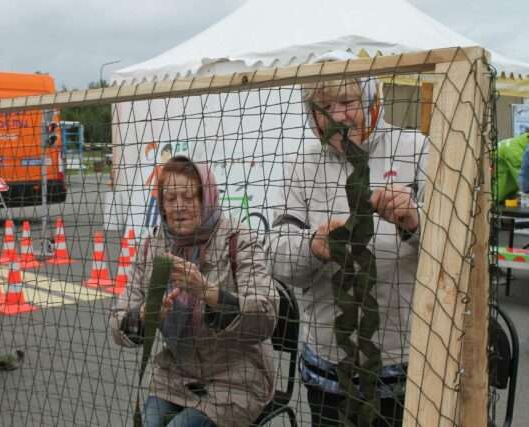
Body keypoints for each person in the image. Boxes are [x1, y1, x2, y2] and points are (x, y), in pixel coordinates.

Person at [270, 52, 427, 426]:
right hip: (327, 361)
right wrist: (312, 245)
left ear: (373, 100)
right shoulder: (301, 167)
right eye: (324, 106)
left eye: (347, 102)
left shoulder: (418, 149)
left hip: (404, 358)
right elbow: (276, 253)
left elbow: (460, 247)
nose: (338, 116)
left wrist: (415, 221)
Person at [112, 155, 279, 427]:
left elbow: (267, 314)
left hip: (236, 380)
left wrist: (208, 292)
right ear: (162, 206)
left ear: (208, 197)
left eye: (189, 197)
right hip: (175, 378)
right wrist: (144, 316)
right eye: (170, 198)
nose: (179, 207)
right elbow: (117, 323)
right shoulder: (152, 245)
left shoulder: (240, 240)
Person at [497, 132, 529, 202]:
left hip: (506, 196)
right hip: (494, 196)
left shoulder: (519, 143)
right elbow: (525, 182)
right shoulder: (516, 153)